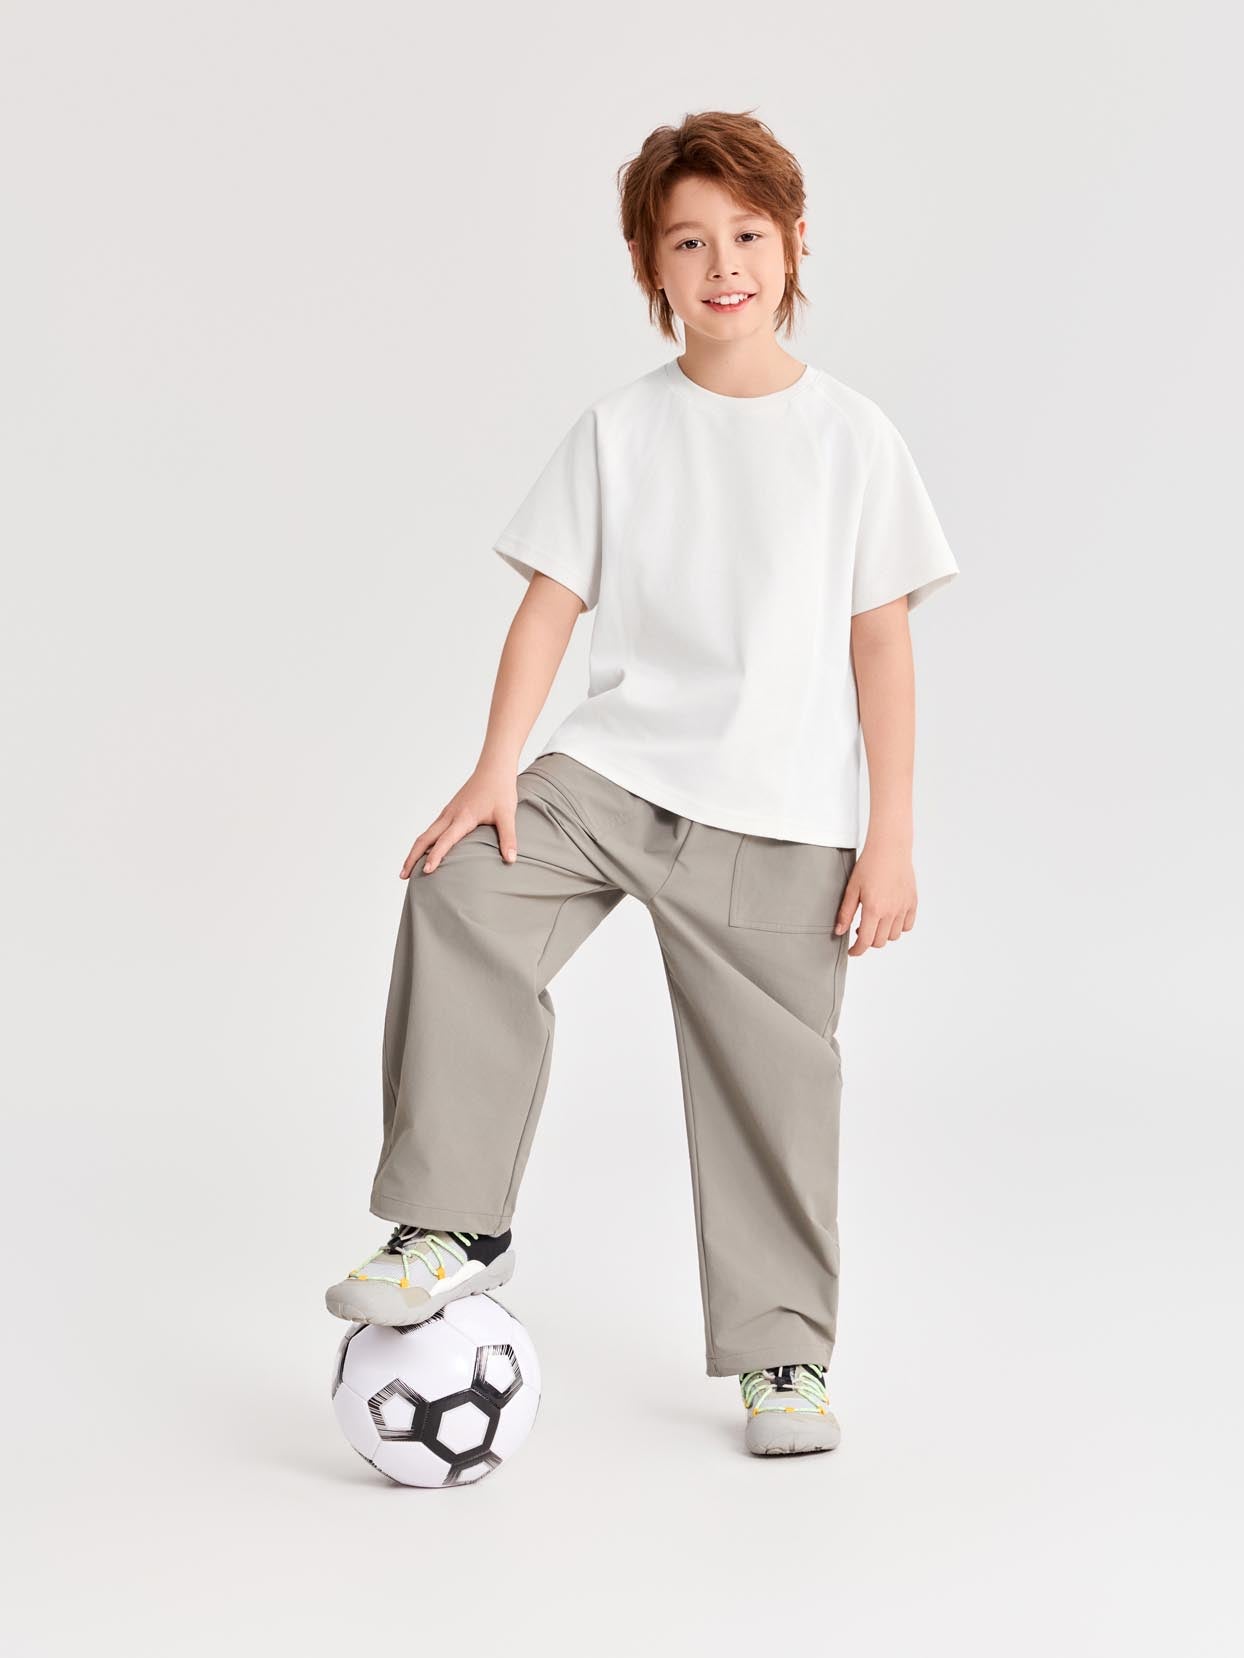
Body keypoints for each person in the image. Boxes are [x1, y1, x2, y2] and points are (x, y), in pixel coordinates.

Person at [324, 108, 960, 1458]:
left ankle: (785, 1355)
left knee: (776, 1088)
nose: (723, 265)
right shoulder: (619, 429)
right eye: (688, 242)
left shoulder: (854, 438)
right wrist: (496, 769)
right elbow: (550, 606)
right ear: (648, 268)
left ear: (795, 246)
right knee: (463, 889)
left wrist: (891, 835)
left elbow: (882, 647)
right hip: (615, 774)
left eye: (748, 235)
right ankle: (454, 1221)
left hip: (782, 811)